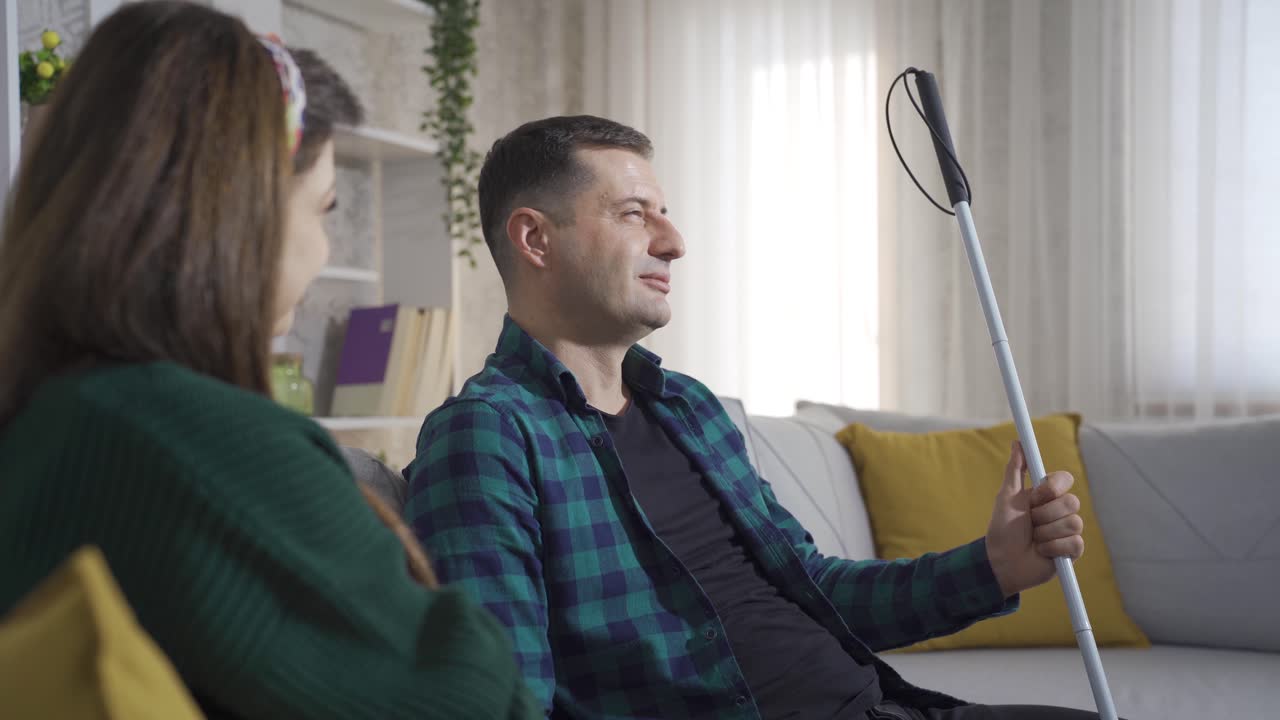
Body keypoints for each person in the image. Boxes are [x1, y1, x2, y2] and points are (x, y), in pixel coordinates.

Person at [405, 115, 1117, 720]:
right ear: (535, 240)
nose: (673, 241)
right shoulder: (487, 435)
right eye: (633, 214)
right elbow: (502, 697)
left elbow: (816, 590)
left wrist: (993, 566)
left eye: (664, 212)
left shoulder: (686, 406)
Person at [0, 3, 534, 718]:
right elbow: (469, 699)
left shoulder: (51, 413)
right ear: (240, 209)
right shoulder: (193, 443)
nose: (326, 251)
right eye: (323, 208)